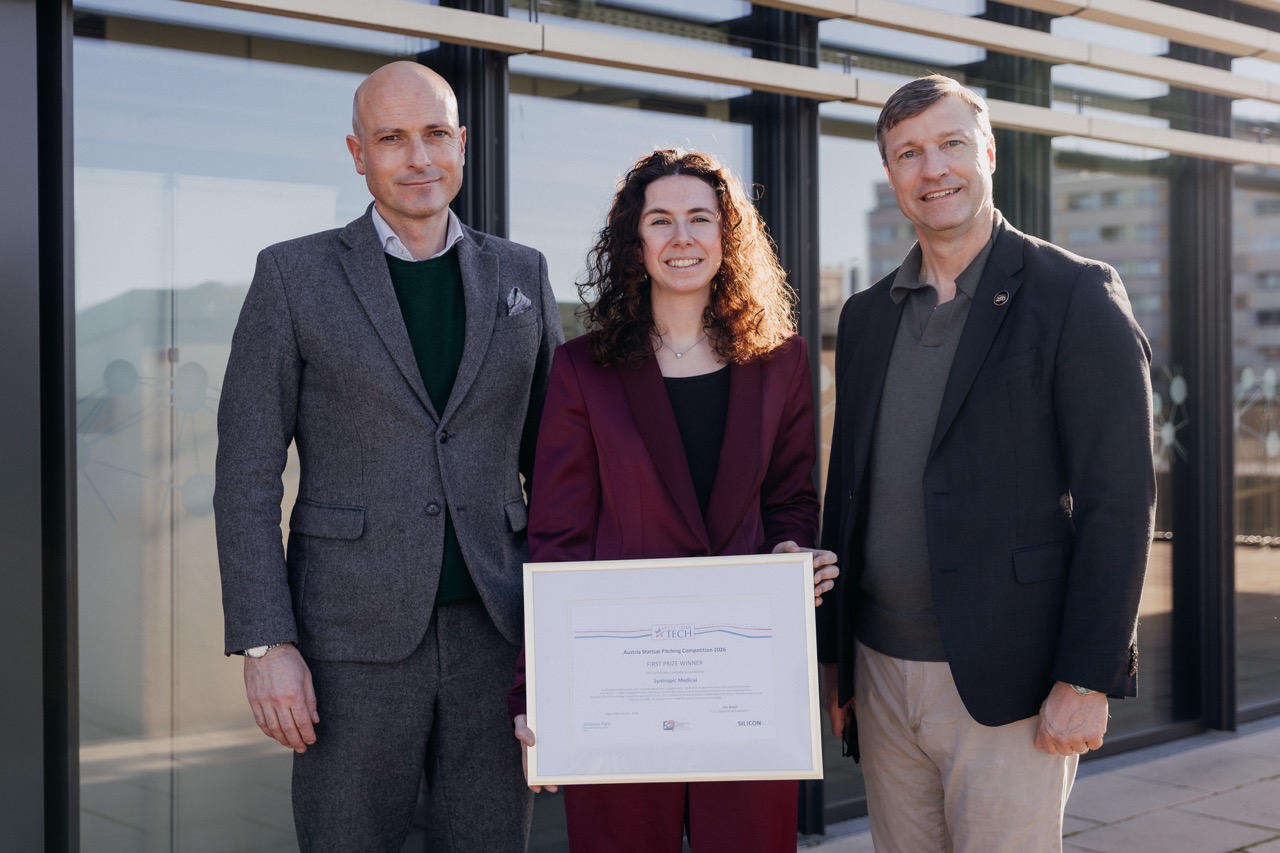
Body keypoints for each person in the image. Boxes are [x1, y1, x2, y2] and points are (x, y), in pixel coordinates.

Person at [213, 61, 562, 851]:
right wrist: (268, 645)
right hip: (346, 644)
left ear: (463, 144)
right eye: (392, 138)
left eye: (436, 134)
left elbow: (560, 468)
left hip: (496, 634)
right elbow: (244, 476)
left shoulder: (522, 274)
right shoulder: (292, 276)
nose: (419, 158)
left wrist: (569, 635)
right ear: (356, 152)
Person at [816, 74, 1155, 852]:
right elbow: (851, 490)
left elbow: (1120, 500)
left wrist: (1088, 675)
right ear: (892, 175)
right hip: (879, 674)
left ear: (989, 152)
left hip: (1010, 682)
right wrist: (835, 656)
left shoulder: (1074, 294)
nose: (932, 169)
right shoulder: (867, 316)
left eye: (950, 144)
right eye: (908, 153)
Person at [508, 148, 839, 852]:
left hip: (746, 686)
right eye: (660, 221)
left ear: (728, 236)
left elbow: (790, 499)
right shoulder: (582, 370)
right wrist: (537, 695)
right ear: (636, 242)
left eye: (699, 218)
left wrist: (790, 551)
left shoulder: (781, 362)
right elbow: (556, 541)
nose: (681, 237)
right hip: (618, 687)